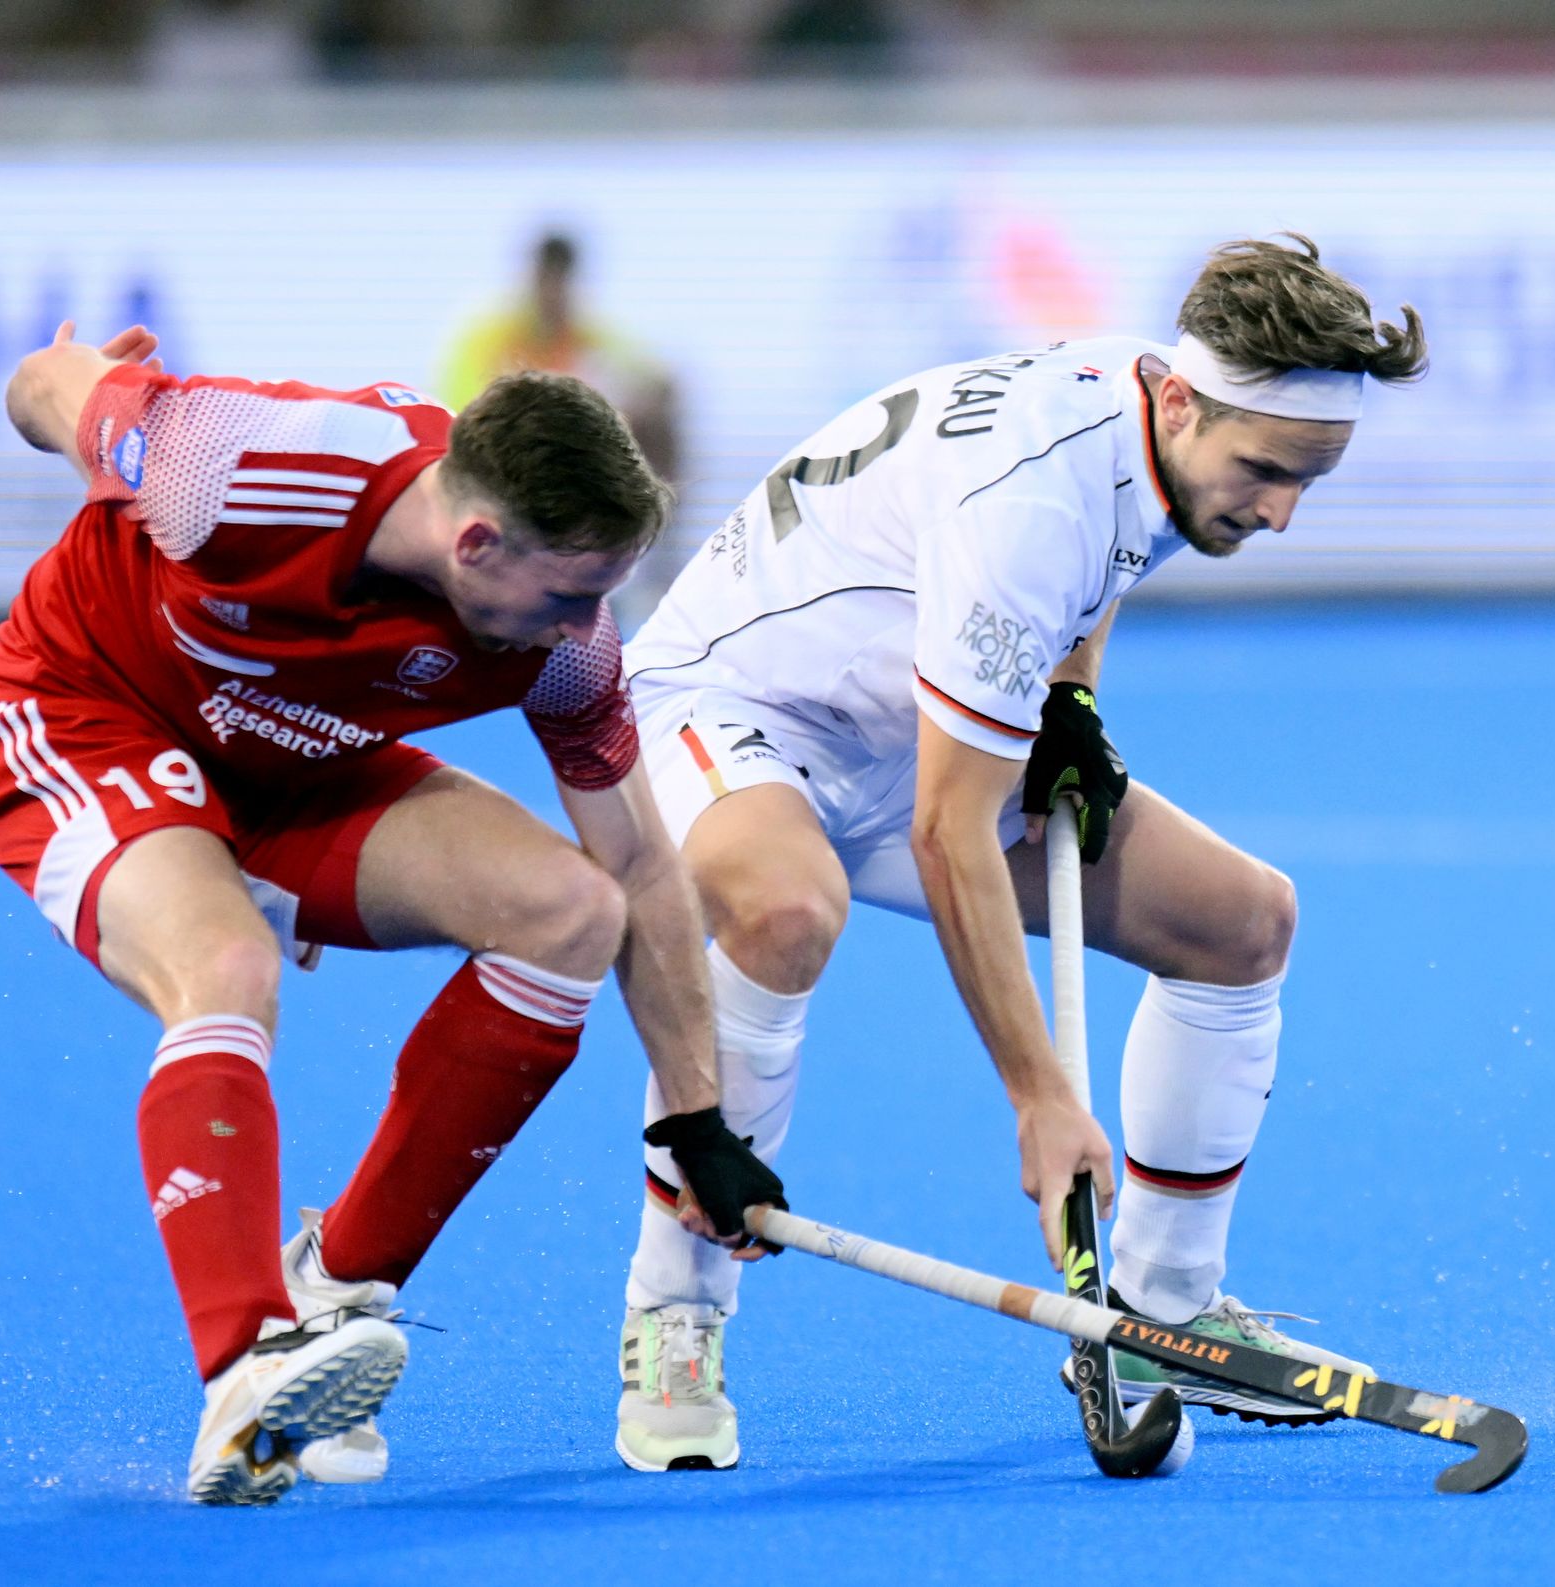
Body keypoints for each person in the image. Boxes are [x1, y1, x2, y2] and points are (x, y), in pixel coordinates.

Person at [612, 235, 1428, 1472]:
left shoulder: (1145, 420)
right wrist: (1041, 1101)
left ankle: (1160, 1310)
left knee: (1240, 921)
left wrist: (1070, 701)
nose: (1280, 511)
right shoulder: (1031, 494)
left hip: (915, 728)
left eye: (1310, 479)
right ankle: (676, 1311)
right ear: (1174, 397)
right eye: (1264, 472)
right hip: (731, 710)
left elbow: (1092, 576)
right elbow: (949, 837)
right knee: (787, 914)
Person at [0, 323, 783, 1505]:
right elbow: (47, 382)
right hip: (91, 717)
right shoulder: (227, 467)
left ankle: (334, 1290)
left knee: (568, 908)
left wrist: (694, 1121)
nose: (580, 629)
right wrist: (79, 381)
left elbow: (642, 867)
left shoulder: (565, 649)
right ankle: (247, 1363)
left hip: (297, 766)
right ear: (477, 539)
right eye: (567, 595)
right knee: (226, 964)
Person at [442, 232, 681, 484]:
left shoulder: (587, 333)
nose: (552, 292)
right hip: (507, 449)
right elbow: (463, 407)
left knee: (654, 418)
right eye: (546, 279)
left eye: (561, 280)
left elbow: (646, 375)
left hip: (571, 449)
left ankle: (655, 512)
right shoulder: (486, 334)